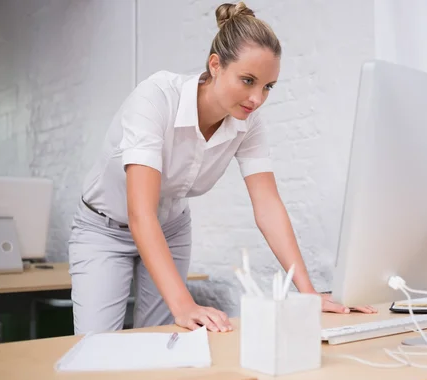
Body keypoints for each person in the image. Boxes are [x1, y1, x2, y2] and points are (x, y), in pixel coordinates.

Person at [68, 1, 376, 335]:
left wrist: (308, 292)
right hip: (105, 229)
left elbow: (268, 207)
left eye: (267, 87)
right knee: (95, 344)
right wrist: (184, 304)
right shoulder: (156, 99)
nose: (257, 98)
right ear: (215, 65)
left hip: (170, 228)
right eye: (248, 80)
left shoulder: (248, 122)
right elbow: (140, 212)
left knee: (159, 340)